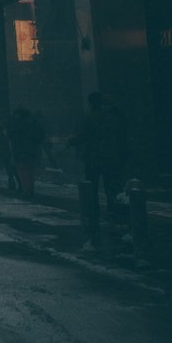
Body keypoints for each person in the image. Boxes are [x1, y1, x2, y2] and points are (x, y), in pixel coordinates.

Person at [74, 92, 128, 236]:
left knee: (92, 186)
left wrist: (74, 142)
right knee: (112, 185)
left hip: (93, 157)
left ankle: (93, 212)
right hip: (110, 156)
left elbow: (82, 136)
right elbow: (121, 133)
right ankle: (113, 211)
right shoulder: (113, 118)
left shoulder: (89, 118)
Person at [9, 106, 43, 200]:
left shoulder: (17, 124)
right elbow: (40, 135)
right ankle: (30, 188)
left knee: (22, 170)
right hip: (32, 150)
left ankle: (26, 190)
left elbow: (14, 137)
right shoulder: (33, 123)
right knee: (30, 170)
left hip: (20, 150)